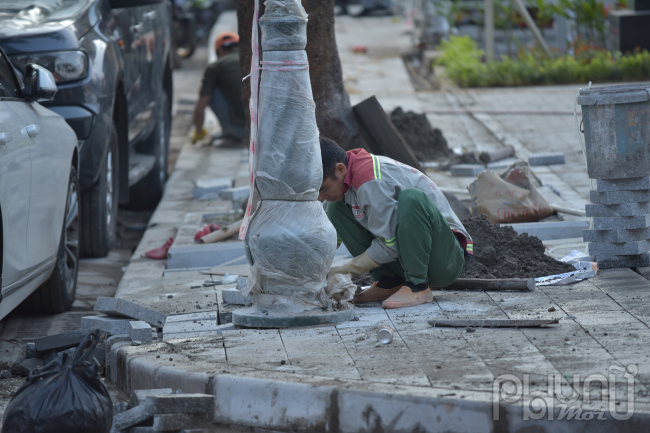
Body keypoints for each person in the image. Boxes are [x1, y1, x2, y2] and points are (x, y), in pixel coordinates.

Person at [319, 137, 473, 309]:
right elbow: (331, 233)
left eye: (323, 188)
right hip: (408, 258)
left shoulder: (369, 181)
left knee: (411, 198)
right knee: (336, 209)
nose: (321, 197)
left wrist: (342, 271)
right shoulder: (345, 178)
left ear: (340, 169)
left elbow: (390, 245)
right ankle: (389, 282)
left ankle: (418, 286)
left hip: (445, 260)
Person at [191, 31, 246, 146]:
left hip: (242, 131)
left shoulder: (216, 66)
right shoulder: (251, 59)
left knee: (211, 90)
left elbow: (200, 108)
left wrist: (198, 132)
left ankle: (229, 131)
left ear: (220, 50)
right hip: (260, 130)